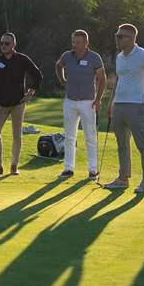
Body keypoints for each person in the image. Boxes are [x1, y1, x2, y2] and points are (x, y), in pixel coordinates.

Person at [104, 23, 144, 193]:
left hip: (137, 106)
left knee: (142, 144)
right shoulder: (119, 57)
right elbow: (118, 80)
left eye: (120, 36)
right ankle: (123, 179)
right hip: (119, 105)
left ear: (131, 38)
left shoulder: (143, 55)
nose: (117, 39)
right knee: (122, 144)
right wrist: (111, 103)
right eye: (116, 35)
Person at [0, 32, 43, 176]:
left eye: (7, 43)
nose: (3, 46)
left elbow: (38, 76)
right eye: (2, 43)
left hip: (18, 103)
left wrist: (30, 93)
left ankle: (14, 166)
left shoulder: (22, 59)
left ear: (14, 44)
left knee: (17, 135)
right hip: (1, 105)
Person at [55, 29, 106, 180]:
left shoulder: (94, 57)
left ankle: (92, 170)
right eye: (73, 42)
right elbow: (58, 66)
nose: (75, 45)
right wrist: (62, 80)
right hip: (70, 101)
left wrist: (98, 99)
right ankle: (68, 169)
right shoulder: (67, 55)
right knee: (69, 136)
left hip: (88, 102)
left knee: (90, 136)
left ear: (86, 43)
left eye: (78, 42)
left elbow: (102, 79)